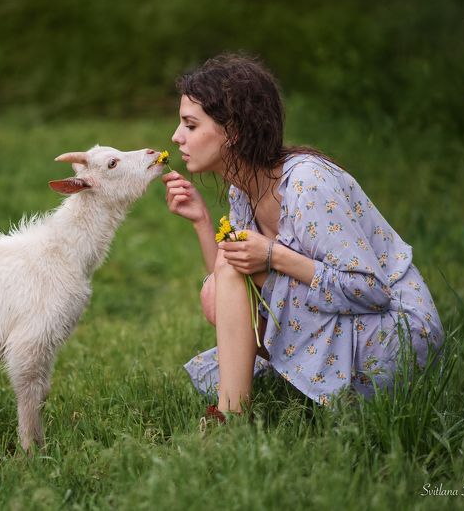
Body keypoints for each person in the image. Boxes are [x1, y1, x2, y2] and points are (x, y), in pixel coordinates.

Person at [162, 53, 443, 418]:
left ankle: (230, 417)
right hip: (354, 321)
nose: (176, 136)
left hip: (397, 335)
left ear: (232, 131)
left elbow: (371, 289)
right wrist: (202, 220)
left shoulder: (306, 183)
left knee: (227, 281)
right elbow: (229, 293)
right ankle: (236, 412)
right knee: (218, 288)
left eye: (190, 125)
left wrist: (273, 256)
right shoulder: (243, 191)